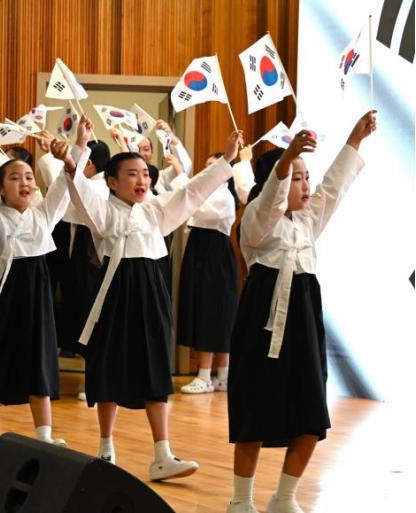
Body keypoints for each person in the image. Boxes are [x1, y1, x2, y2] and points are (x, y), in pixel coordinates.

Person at [69, 115, 242, 481]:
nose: (142, 180)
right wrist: (79, 148)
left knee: (155, 367)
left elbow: (192, 192)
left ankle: (162, 454)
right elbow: (79, 190)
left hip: (152, 293)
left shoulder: (156, 209)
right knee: (107, 367)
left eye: (145, 174)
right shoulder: (103, 210)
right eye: (132, 174)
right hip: (113, 293)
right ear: (112, 181)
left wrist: (227, 160)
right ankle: (105, 448)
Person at [225, 111, 377, 513]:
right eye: (297, 177)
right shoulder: (256, 222)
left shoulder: (308, 222)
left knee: (312, 414)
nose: (306, 185)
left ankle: (285, 497)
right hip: (261, 323)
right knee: (254, 411)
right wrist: (286, 159)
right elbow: (270, 202)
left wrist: (354, 140)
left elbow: (334, 187)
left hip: (304, 321)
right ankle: (241, 501)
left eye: (306, 176)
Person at [0, 140, 86, 454]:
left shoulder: (42, 215)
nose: (24, 182)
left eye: (28, 177)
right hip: (2, 291)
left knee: (39, 356)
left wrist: (75, 152)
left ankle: (44, 434)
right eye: (14, 178)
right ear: (1, 189)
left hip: (36, 292)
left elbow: (62, 189)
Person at [176, 148, 254, 394]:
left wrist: (180, 175)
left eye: (213, 166)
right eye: (206, 166)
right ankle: (222, 376)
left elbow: (194, 206)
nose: (207, 170)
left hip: (214, 255)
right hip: (201, 251)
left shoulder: (223, 195)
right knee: (209, 310)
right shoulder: (210, 191)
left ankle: (205, 376)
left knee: (213, 312)